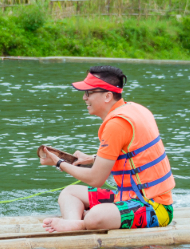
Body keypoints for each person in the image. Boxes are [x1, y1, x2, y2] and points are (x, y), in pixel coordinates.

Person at [39, 66, 175, 232]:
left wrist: (59, 162)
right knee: (69, 193)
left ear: (107, 96)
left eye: (89, 92)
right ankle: (73, 222)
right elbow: (133, 156)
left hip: (154, 207)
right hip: (126, 197)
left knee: (96, 216)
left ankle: (82, 223)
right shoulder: (134, 109)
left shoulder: (117, 124)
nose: (84, 97)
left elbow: (96, 179)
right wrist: (91, 159)